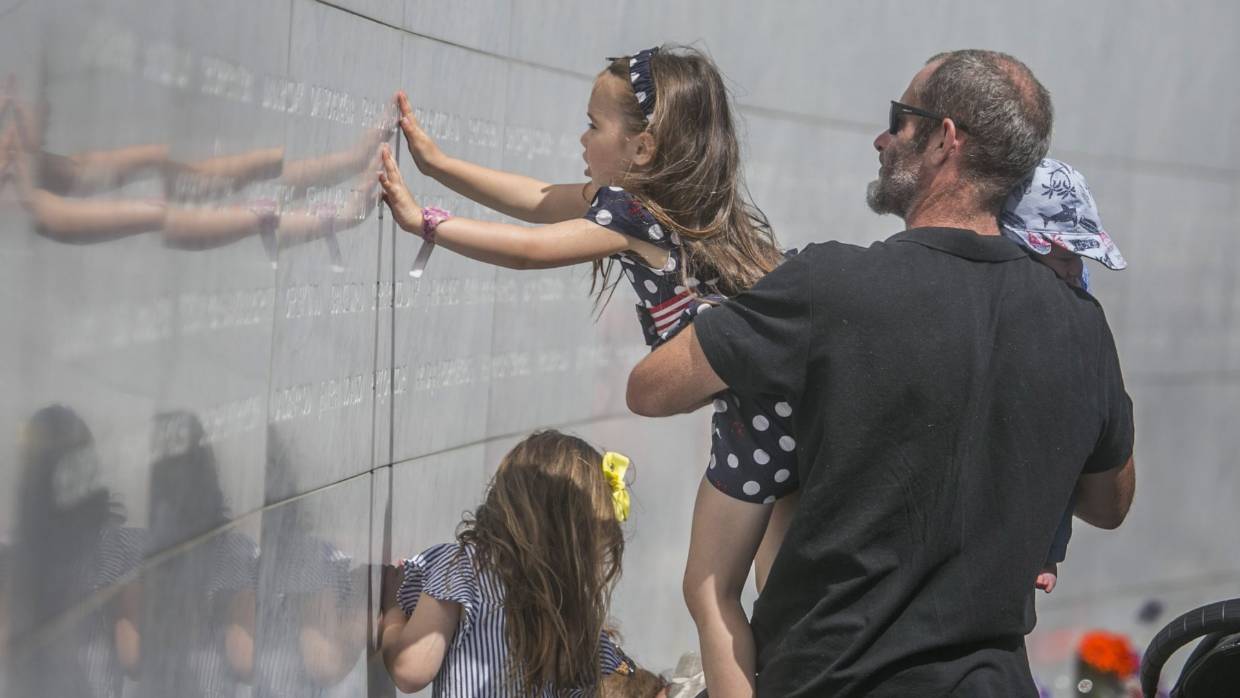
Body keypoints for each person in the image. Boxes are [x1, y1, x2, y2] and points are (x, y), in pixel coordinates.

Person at [627, 49, 1137, 696]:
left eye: (900, 119)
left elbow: (652, 388)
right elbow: (1110, 504)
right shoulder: (1081, 327)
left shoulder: (830, 286)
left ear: (945, 139)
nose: (882, 138)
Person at [377, 45, 796, 697]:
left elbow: (530, 248)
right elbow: (539, 198)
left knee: (709, 590)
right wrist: (437, 164)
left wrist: (424, 222)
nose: (581, 137)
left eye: (594, 124)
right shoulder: (693, 212)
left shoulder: (634, 213)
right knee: (778, 586)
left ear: (643, 148)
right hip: (787, 414)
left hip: (754, 425)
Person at [377, 430, 632, 696]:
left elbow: (410, 671)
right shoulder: (574, 619)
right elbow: (625, 682)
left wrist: (393, 613)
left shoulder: (461, 569)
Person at [998, 157, 1129, 593]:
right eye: (1064, 255)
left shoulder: (1075, 295)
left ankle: (1048, 552)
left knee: (1057, 468)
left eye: (1080, 256)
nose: (1074, 268)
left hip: (1052, 430)